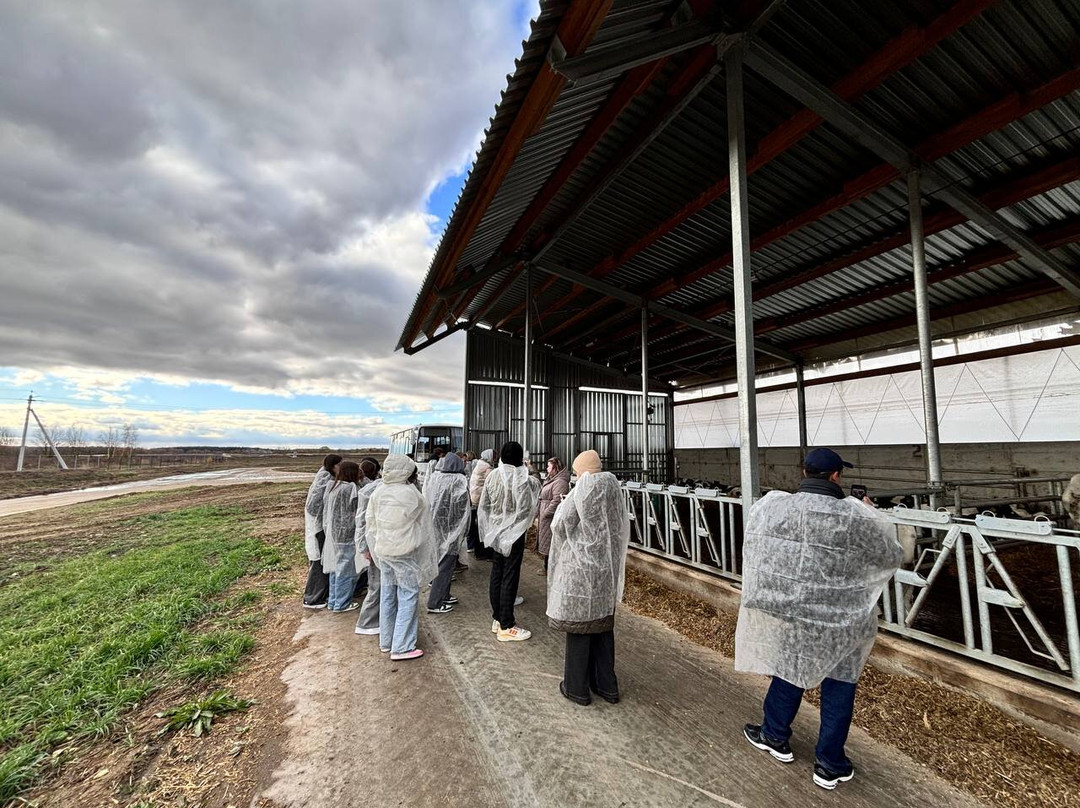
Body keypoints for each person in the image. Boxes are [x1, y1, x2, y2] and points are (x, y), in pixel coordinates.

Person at [735, 447, 902, 791]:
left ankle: (774, 735)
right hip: (841, 619)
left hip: (796, 612)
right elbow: (889, 555)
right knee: (839, 683)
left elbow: (759, 544)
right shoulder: (853, 516)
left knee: (790, 668)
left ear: (805, 472)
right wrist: (870, 515)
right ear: (836, 476)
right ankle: (829, 763)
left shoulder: (777, 506)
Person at [547, 450, 630, 706]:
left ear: (581, 470)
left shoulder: (582, 489)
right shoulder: (613, 487)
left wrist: (563, 504)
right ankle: (607, 686)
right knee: (603, 626)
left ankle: (576, 688)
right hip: (606, 568)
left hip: (581, 570)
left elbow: (560, 524)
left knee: (580, 626)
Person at [366, 455, 438, 660]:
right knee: (408, 595)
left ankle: (387, 641)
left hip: (384, 550)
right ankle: (403, 646)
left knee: (388, 593)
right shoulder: (411, 494)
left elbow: (370, 522)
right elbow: (424, 525)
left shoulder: (378, 492)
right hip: (404, 552)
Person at [479, 441, 540, 642]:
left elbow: (485, 504)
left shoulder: (492, 476)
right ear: (520, 457)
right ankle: (507, 625)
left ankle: (497, 618)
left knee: (497, 573)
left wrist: (491, 525)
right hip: (514, 535)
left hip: (496, 532)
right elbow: (535, 491)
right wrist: (531, 468)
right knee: (510, 576)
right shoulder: (524, 479)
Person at [423, 453, 471, 614]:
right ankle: (435, 602)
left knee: (444, 563)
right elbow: (463, 508)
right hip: (452, 528)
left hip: (437, 527)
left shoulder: (436, 477)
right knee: (445, 565)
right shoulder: (458, 481)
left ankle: (444, 594)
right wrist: (463, 529)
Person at [322, 460, 363, 613]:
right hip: (347, 534)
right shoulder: (350, 488)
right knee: (346, 570)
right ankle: (342, 603)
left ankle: (333, 601)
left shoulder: (334, 486)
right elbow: (357, 510)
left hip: (334, 534)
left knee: (335, 568)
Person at [302, 453, 342, 608]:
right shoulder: (326, 480)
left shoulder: (324, 476)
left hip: (319, 526)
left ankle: (319, 595)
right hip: (318, 527)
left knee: (322, 560)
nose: (341, 468)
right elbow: (315, 506)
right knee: (318, 561)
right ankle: (312, 598)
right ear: (333, 466)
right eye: (339, 464)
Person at [353, 457, 383, 636]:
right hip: (378, 545)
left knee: (379, 584)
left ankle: (374, 621)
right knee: (377, 586)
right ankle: (367, 622)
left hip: (377, 545)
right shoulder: (372, 491)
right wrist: (365, 546)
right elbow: (363, 521)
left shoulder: (370, 489)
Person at [536, 456, 570, 575]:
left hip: (551, 517)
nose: (546, 468)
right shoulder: (552, 479)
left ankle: (551, 569)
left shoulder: (560, 482)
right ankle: (547, 567)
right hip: (546, 516)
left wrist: (546, 512)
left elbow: (557, 501)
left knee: (551, 542)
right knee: (548, 543)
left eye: (548, 466)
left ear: (555, 467)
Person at [469, 449, 496, 560]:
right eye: (494, 456)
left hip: (475, 498)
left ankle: (477, 551)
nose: (495, 458)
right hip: (482, 501)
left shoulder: (479, 464)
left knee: (477, 526)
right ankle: (484, 553)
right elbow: (492, 483)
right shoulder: (487, 467)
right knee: (484, 527)